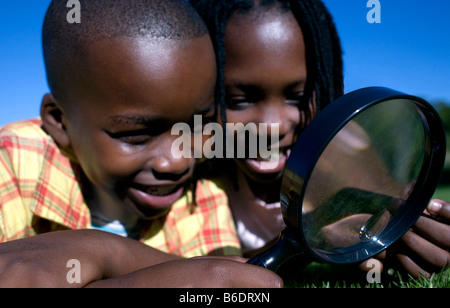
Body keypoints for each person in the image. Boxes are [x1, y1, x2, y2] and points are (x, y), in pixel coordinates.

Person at [0, 0, 283, 288]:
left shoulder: (203, 202)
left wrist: (104, 251)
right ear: (61, 122)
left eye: (198, 127)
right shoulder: (13, 162)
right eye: (136, 135)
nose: (177, 161)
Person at [190, 0, 449, 278]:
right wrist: (314, 240)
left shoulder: (348, 151)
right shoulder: (184, 168)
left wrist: (403, 237)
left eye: (298, 97)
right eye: (238, 100)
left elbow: (382, 227)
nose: (272, 126)